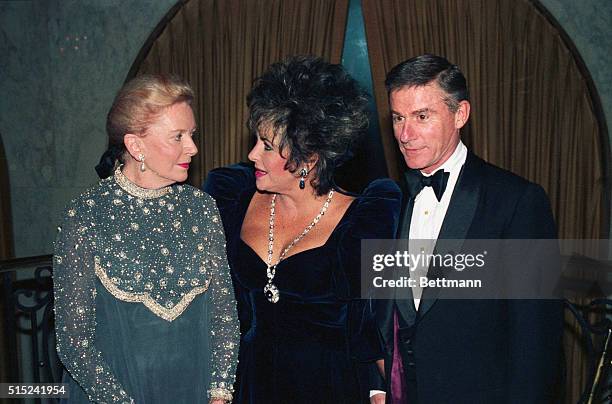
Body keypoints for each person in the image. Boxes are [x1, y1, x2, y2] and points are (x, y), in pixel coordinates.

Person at [204, 56, 401, 403]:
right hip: (249, 387)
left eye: (266, 146)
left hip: (331, 388)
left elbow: (374, 329)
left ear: (308, 159)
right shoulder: (233, 199)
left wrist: (389, 390)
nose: (252, 155)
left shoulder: (361, 221)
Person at [371, 54, 563, 403]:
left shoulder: (517, 201)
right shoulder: (390, 200)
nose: (405, 134)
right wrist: (377, 386)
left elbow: (536, 341)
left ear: (460, 114)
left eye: (421, 117)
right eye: (398, 118)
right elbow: (379, 314)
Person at [53, 74, 239, 403]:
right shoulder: (86, 216)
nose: (193, 148)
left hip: (194, 391)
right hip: (114, 394)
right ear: (136, 145)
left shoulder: (202, 208)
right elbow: (73, 342)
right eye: (178, 136)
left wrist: (220, 394)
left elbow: (223, 315)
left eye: (192, 134)